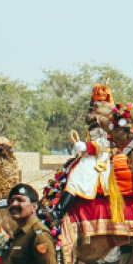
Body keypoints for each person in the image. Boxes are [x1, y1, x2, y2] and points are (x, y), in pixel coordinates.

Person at [53, 84, 114, 222]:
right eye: (95, 102)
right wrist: (80, 146)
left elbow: (108, 141)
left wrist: (87, 146)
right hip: (90, 154)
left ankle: (59, 213)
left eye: (99, 103)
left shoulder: (109, 120)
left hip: (102, 156)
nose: (95, 105)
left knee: (78, 175)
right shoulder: (94, 119)